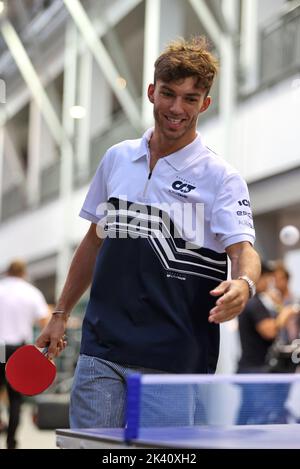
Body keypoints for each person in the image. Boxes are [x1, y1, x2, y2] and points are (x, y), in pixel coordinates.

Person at [36, 36, 261, 428]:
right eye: (169, 94)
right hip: (101, 351)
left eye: (191, 99)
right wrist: (60, 312)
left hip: (174, 360)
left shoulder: (221, 179)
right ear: (151, 92)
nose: (177, 108)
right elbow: (94, 241)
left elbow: (243, 250)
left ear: (205, 104)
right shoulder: (117, 159)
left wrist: (244, 283)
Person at [237, 262, 297, 424]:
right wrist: (285, 313)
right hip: (255, 372)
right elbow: (269, 331)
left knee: (246, 417)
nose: (270, 283)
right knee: (256, 419)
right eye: (268, 278)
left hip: (255, 370)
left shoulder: (258, 302)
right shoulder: (254, 303)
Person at [0, 260, 49, 449]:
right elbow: (44, 321)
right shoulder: (31, 292)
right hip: (19, 349)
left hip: (0, 346)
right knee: (15, 398)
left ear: (7, 272)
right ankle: (11, 442)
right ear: (23, 273)